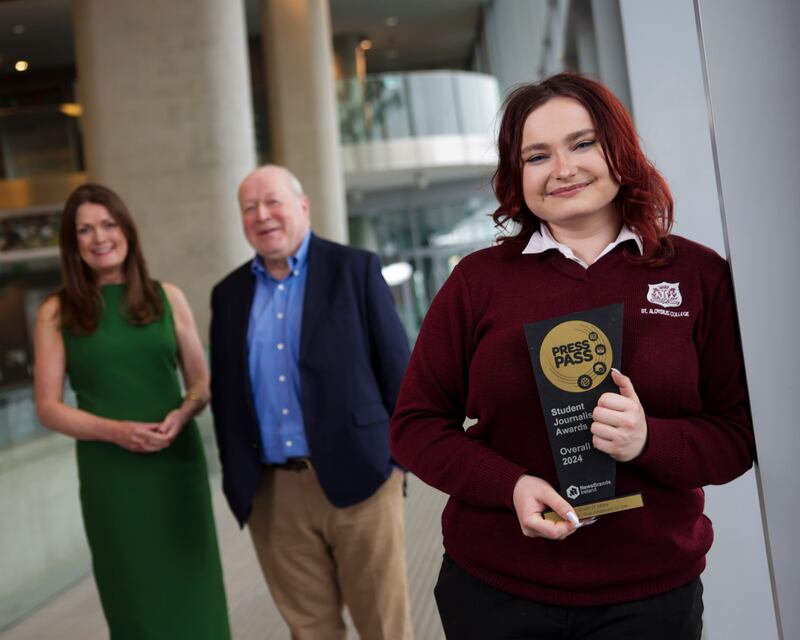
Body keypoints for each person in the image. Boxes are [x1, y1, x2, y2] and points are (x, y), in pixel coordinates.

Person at [390, 72, 755, 640]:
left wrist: (647, 441)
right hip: (496, 589)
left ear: (619, 149)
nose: (562, 169)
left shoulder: (697, 274)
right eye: (537, 156)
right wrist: (508, 485)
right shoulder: (478, 282)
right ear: (517, 175)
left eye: (582, 144)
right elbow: (415, 425)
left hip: (650, 595)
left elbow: (737, 435)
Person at [209, 164, 413, 640]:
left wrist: (397, 464)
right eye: (249, 207)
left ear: (302, 206)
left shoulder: (355, 269)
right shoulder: (229, 294)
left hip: (363, 480)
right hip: (273, 495)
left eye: (273, 201)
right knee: (311, 632)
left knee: (385, 626)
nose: (263, 215)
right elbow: (226, 397)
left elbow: (399, 371)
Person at [33, 184, 231, 640]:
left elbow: (201, 383)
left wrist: (183, 413)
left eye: (108, 224)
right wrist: (116, 431)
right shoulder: (56, 311)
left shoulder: (168, 298)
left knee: (196, 595)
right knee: (135, 606)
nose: (99, 237)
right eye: (84, 229)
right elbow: (47, 407)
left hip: (175, 468)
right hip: (112, 479)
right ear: (72, 242)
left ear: (127, 230)